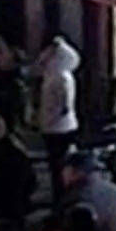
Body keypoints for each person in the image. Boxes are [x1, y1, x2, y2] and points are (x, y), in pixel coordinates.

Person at [31, 31, 81, 180]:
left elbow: (64, 104)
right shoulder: (54, 75)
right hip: (53, 125)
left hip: (59, 127)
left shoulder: (60, 77)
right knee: (55, 161)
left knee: (58, 161)